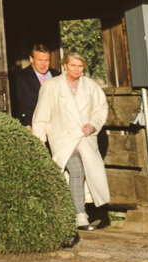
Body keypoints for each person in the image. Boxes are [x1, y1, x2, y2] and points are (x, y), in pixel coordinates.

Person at [31, 51, 110, 231]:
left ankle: (72, 214)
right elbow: (41, 114)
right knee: (76, 170)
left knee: (82, 175)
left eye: (80, 66)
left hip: (84, 138)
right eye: (72, 65)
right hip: (62, 138)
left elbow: (100, 109)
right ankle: (80, 215)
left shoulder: (90, 86)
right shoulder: (52, 86)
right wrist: (40, 139)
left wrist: (93, 125)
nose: (76, 69)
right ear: (65, 66)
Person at [10, 44, 56, 127]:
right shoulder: (20, 77)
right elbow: (18, 104)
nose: (43, 64)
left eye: (46, 60)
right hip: (33, 126)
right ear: (31, 59)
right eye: (40, 60)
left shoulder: (57, 75)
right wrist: (26, 125)